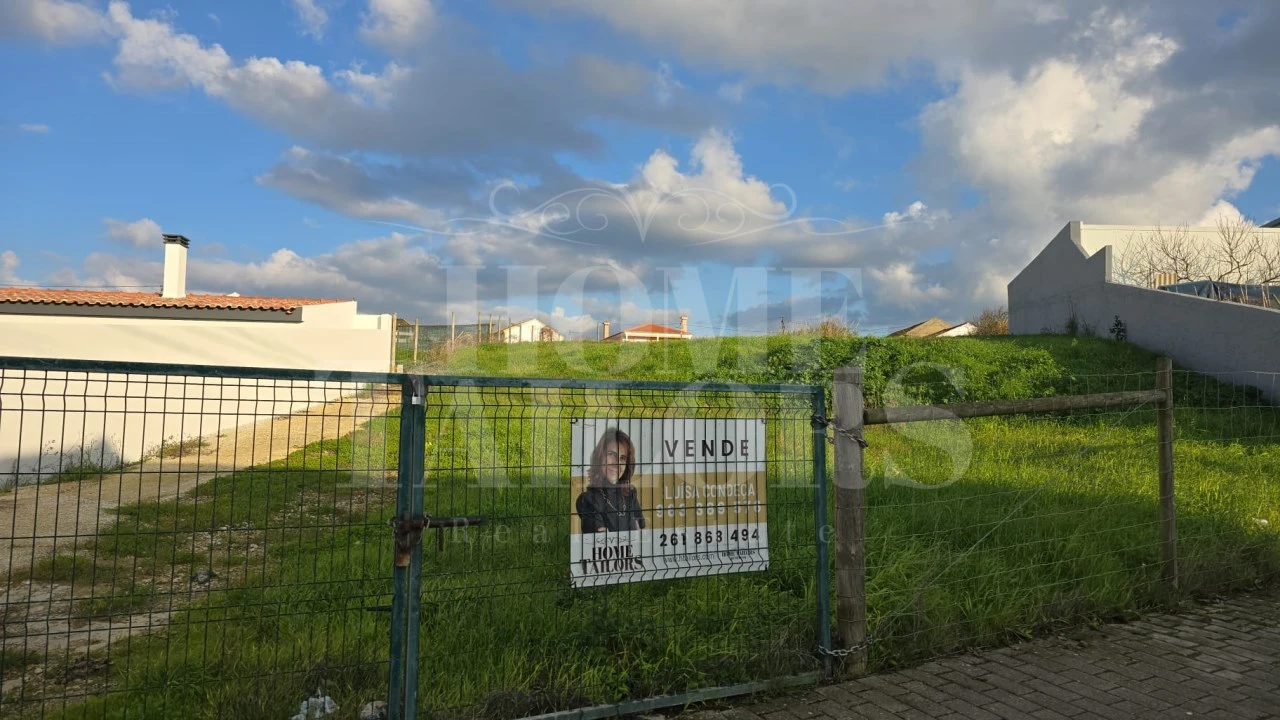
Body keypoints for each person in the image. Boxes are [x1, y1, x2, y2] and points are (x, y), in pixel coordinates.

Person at [575, 427, 645, 532]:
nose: (617, 463)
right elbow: (602, 540)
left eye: (622, 458)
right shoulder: (587, 500)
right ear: (600, 457)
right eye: (612, 454)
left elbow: (643, 534)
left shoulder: (630, 494)